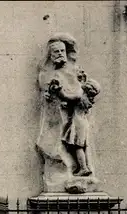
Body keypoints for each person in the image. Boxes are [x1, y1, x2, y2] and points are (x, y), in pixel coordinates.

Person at [38, 34, 100, 177]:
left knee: (76, 145)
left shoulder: (75, 73)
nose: (60, 54)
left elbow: (70, 96)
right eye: (56, 52)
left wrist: (60, 92)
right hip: (62, 117)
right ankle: (80, 167)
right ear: (50, 55)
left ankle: (83, 168)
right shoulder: (48, 73)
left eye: (62, 51)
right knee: (73, 145)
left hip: (74, 121)